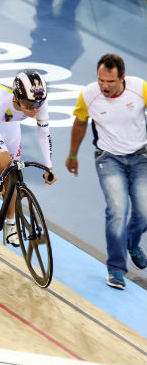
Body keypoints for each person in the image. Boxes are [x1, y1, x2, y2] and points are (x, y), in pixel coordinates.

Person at [66, 53, 147, 290]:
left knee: (144, 212)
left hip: (140, 156)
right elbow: (80, 123)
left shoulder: (140, 88)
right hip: (108, 158)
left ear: (122, 78)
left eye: (110, 81)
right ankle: (116, 269)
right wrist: (72, 154)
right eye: (101, 80)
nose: (104, 86)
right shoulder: (88, 95)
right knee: (118, 211)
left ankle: (132, 242)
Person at [0, 70, 57, 246]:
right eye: (28, 104)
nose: (34, 110)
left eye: (38, 104)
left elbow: (44, 132)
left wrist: (49, 167)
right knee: (3, 162)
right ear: (16, 97)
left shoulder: (39, 101)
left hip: (8, 122)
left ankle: (10, 224)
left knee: (13, 172)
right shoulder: (1, 99)